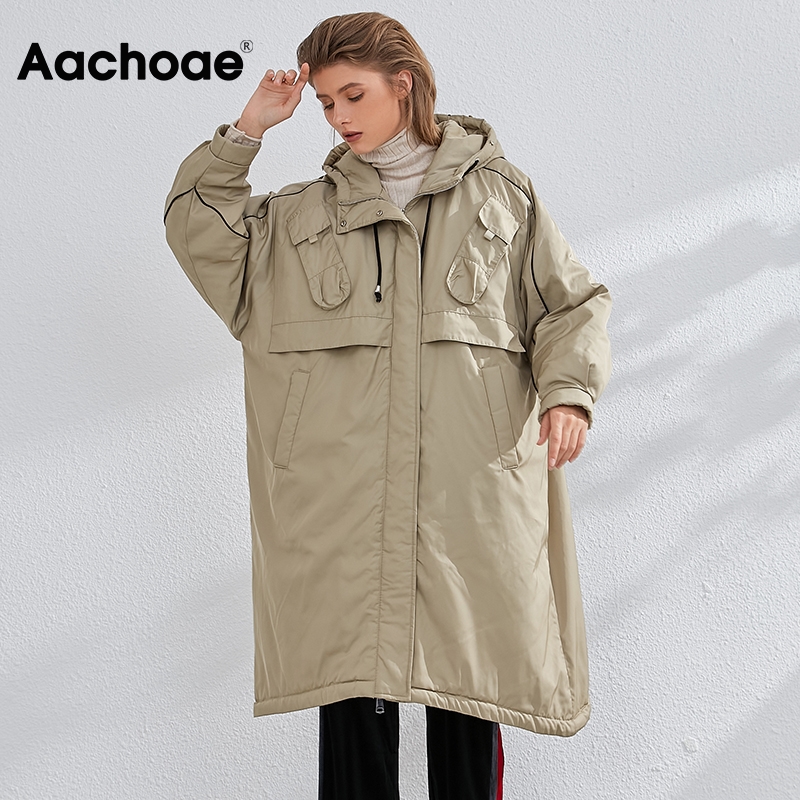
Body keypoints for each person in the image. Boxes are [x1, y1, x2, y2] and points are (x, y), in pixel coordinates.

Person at [164, 12, 611, 800]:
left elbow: (570, 306)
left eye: (352, 95)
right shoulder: (298, 219)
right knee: (354, 710)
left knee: (468, 695)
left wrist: (568, 394)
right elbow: (197, 227)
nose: (337, 117)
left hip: (468, 498)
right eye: (325, 102)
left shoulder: (502, 198)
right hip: (342, 505)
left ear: (403, 84)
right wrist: (248, 130)